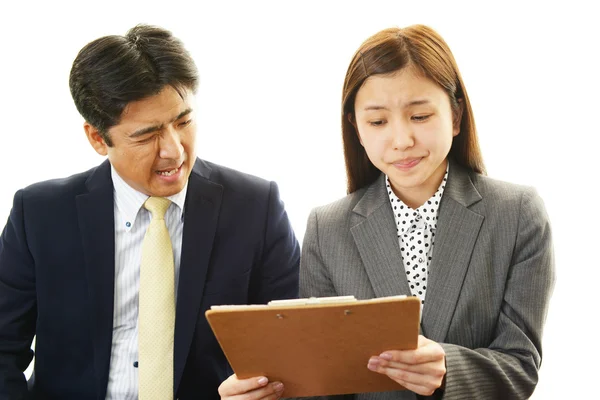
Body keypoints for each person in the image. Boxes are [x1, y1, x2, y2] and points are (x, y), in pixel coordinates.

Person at [218, 24, 555, 400]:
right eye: (378, 122)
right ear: (357, 130)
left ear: (456, 116)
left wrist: (446, 367)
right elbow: (324, 380)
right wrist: (271, 391)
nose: (401, 140)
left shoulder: (516, 214)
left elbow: (521, 366)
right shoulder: (327, 228)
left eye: (420, 116)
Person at [0, 24, 300, 400]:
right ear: (97, 137)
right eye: (146, 135)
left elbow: (297, 346)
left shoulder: (256, 207)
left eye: (183, 122)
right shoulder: (39, 215)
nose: (174, 150)